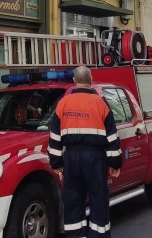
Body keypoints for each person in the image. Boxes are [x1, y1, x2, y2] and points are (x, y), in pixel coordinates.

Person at [47, 66, 123, 238]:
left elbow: (54, 138)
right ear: (91, 79)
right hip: (95, 159)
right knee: (98, 201)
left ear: (74, 81)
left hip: (71, 159)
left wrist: (57, 165)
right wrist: (115, 163)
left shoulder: (63, 104)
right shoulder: (100, 103)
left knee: (73, 203)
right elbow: (112, 137)